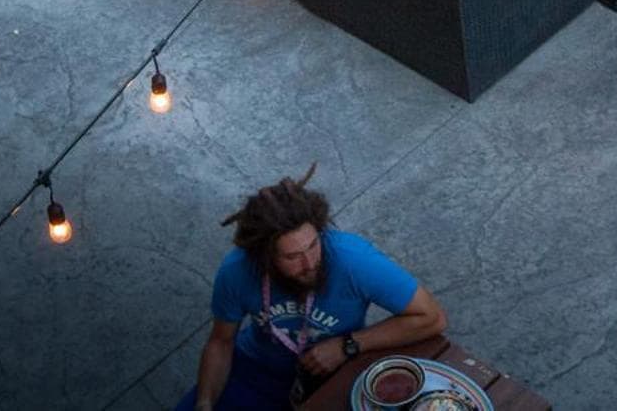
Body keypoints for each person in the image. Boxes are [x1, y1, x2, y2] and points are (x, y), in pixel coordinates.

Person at [189, 167, 446, 411]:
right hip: (257, 368)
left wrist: (348, 345)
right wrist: (204, 403)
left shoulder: (353, 260)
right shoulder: (236, 270)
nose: (310, 263)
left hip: (337, 370)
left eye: (313, 245)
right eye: (292, 257)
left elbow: (431, 317)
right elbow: (221, 342)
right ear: (265, 257)